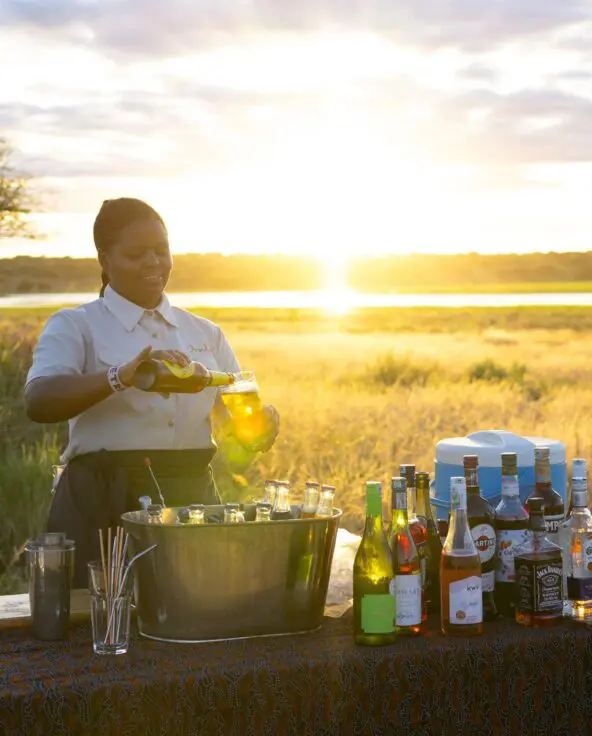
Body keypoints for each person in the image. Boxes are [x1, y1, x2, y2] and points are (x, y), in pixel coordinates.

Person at [24, 197, 279, 586]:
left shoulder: (204, 333)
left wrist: (257, 432)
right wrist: (121, 376)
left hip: (192, 500)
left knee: (197, 619)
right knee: (98, 627)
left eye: (162, 251)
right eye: (136, 253)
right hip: (102, 500)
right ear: (105, 260)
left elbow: (234, 427)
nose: (153, 263)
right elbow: (38, 400)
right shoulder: (76, 325)